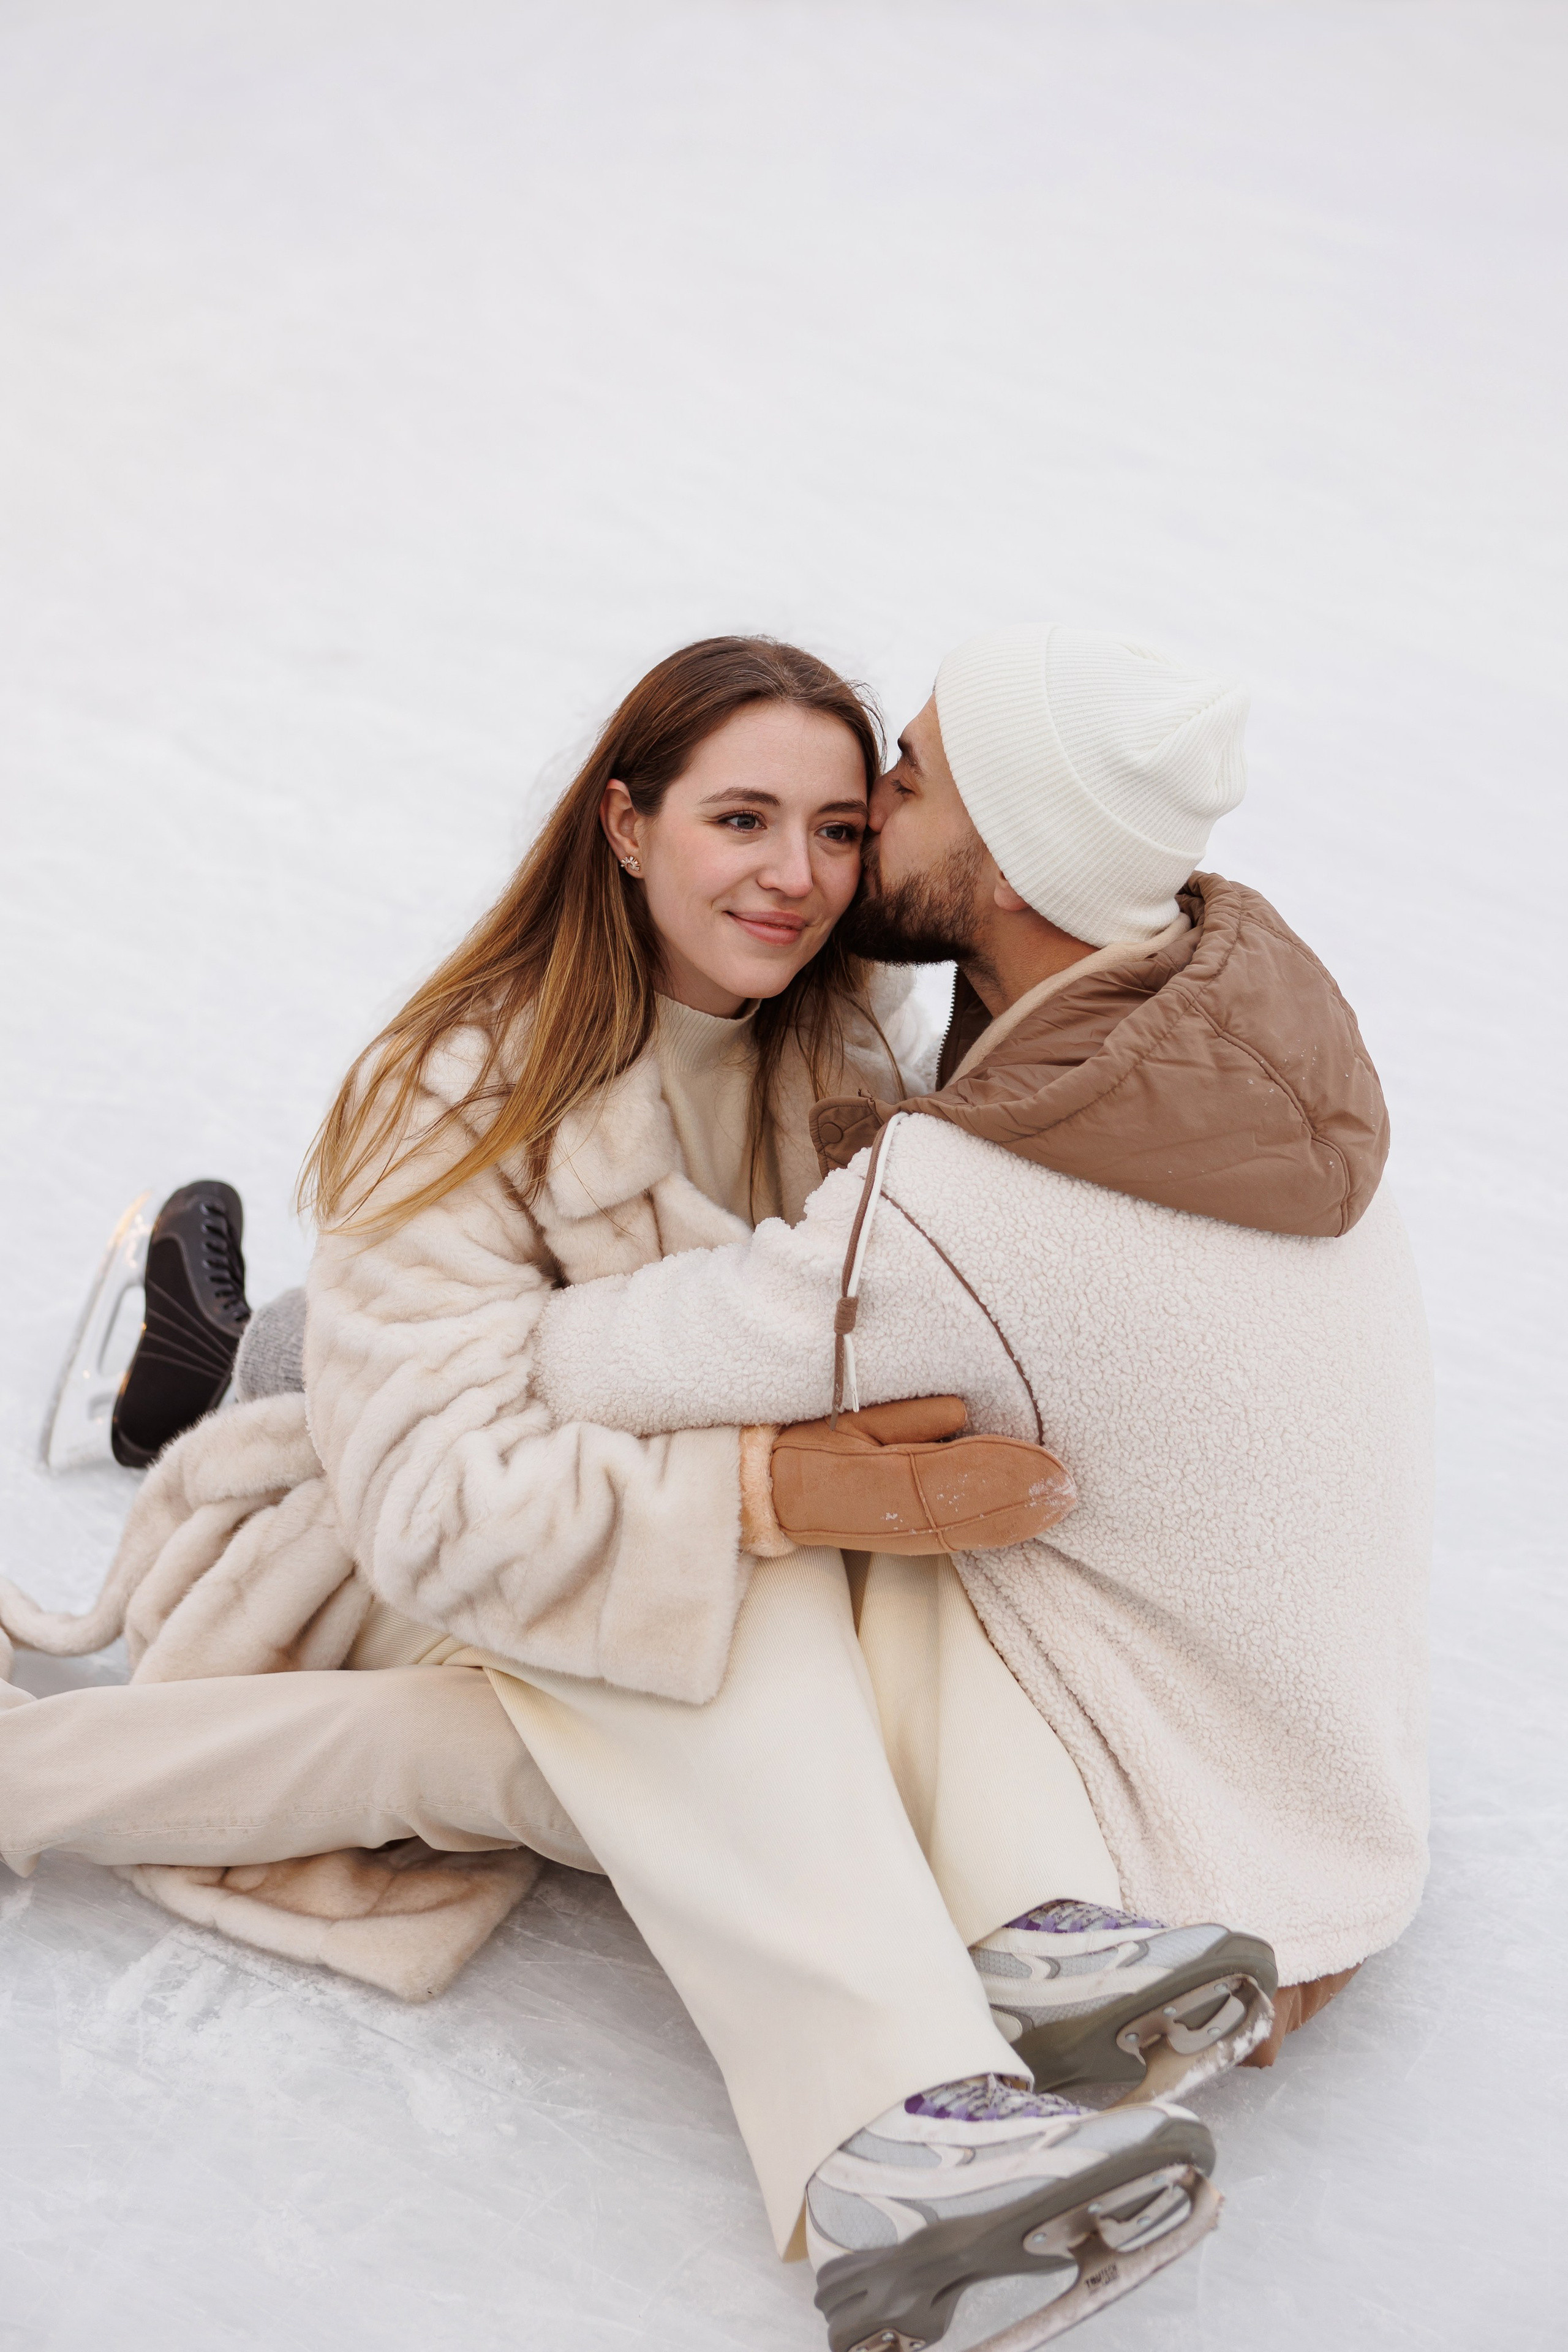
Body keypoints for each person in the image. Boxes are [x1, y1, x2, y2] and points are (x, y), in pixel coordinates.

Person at [0, 629, 1251, 2352]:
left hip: (558, 1537)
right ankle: (895, 2115)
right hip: (398, 1549)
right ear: (626, 823)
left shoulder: (831, 1050)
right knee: (758, 1575)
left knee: (792, 1604)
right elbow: (439, 1504)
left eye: (836, 829)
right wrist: (759, 1494)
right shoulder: (454, 1086)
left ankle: (1020, 1927)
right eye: (741, 819)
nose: (796, 875)